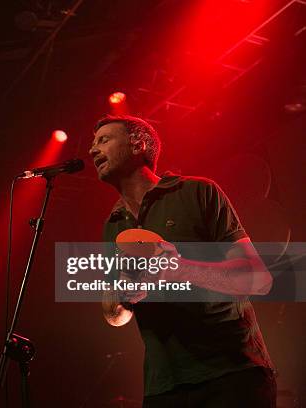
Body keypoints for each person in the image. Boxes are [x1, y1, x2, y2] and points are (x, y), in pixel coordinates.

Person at [88, 114, 277, 407]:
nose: (92, 150)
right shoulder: (112, 225)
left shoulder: (197, 191)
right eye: (93, 143)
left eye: (104, 140)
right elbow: (115, 315)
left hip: (232, 374)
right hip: (164, 386)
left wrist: (179, 268)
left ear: (138, 144)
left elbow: (258, 278)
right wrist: (122, 296)